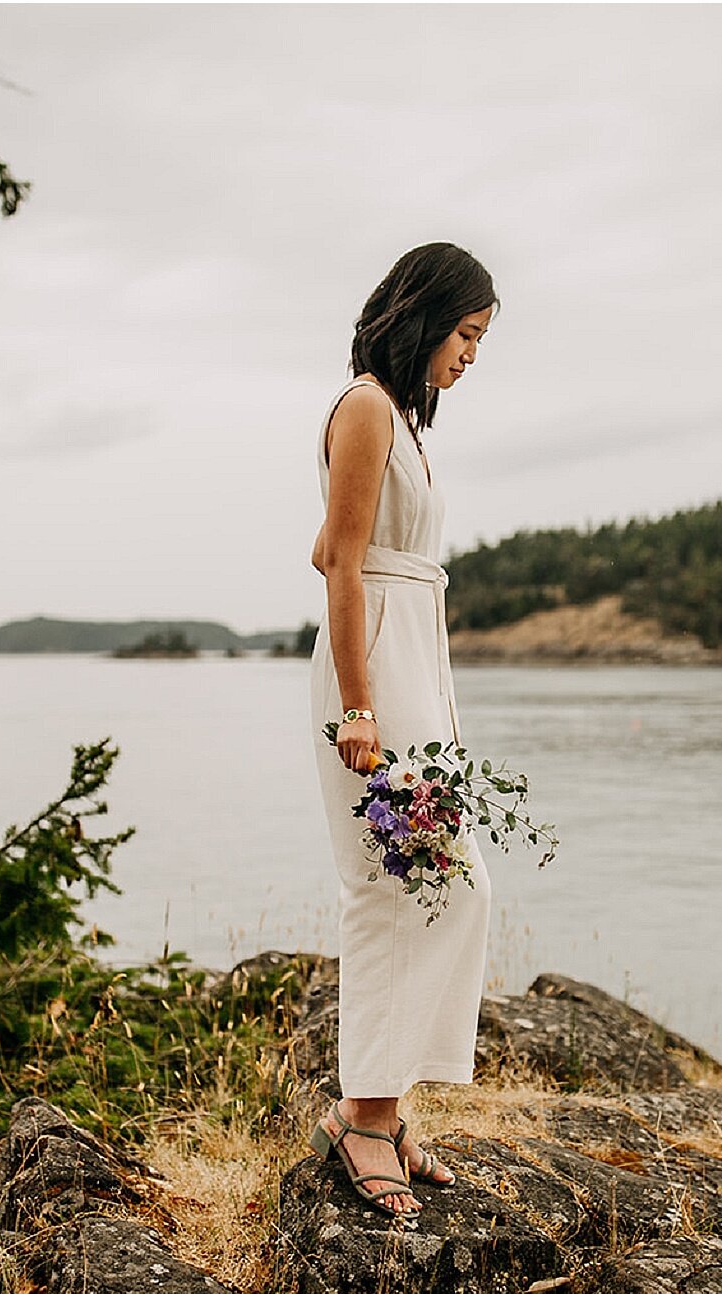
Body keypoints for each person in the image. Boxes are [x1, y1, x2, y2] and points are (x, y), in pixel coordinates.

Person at [303, 243, 497, 1218]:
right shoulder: (367, 405)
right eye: (465, 334)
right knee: (403, 889)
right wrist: (358, 703)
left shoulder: (405, 425)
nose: (470, 356)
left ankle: (380, 1105)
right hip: (376, 668)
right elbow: (338, 562)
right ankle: (365, 1117)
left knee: (440, 888)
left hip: (414, 667)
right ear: (424, 316)